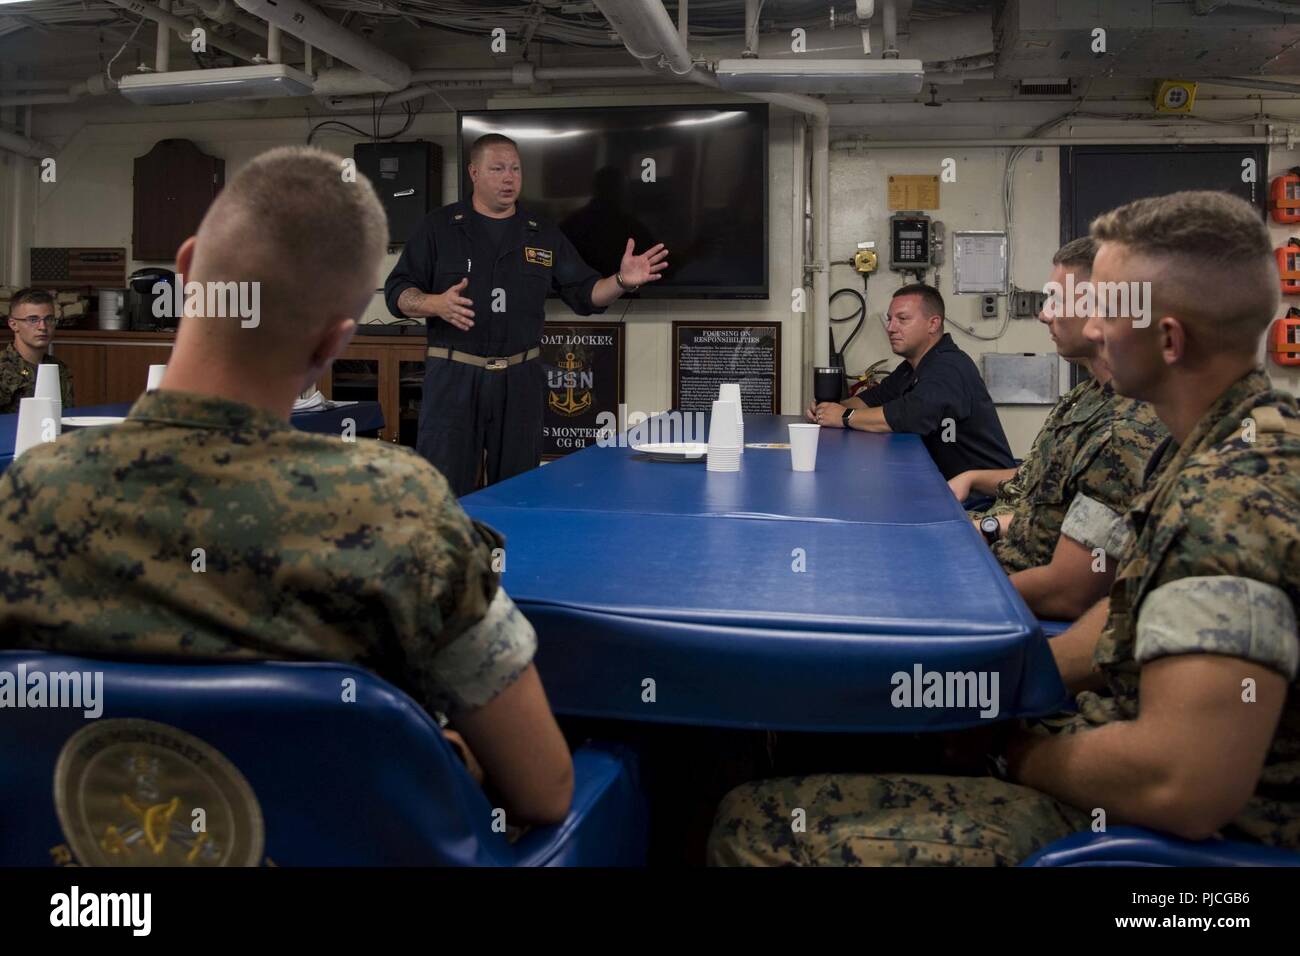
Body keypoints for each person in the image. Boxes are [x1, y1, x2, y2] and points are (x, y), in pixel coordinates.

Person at [709, 190, 1300, 865]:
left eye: (1105, 311)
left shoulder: (1230, 495)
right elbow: (1117, 616)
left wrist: (1015, 751)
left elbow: (1181, 783)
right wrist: (996, 692)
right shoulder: (1211, 443)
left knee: (749, 825)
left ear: (1167, 340)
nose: (1087, 329)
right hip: (1093, 741)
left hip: (1140, 838)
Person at [0, 146, 573, 826]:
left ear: (186, 274)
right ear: (336, 342)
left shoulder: (28, 495)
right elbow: (544, 790)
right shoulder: (399, 509)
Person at [384, 133, 668, 495]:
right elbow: (397, 292)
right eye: (498, 169)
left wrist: (621, 281)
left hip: (519, 381)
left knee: (518, 493)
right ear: (473, 172)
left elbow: (586, 295)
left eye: (515, 169)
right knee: (442, 492)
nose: (509, 178)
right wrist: (431, 303)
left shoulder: (542, 234)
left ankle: (509, 554)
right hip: (454, 379)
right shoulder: (439, 227)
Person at [950, 238, 1168, 620]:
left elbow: (1069, 593)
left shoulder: (1126, 429)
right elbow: (1045, 492)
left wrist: (958, 592)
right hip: (1003, 562)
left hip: (1019, 599)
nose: (1044, 315)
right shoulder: (1086, 396)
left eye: (1056, 300)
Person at [807, 284, 1015, 480]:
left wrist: (844, 416)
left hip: (982, 498)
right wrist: (829, 409)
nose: (890, 327)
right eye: (890, 319)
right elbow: (874, 398)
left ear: (933, 324)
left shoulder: (949, 366)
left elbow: (908, 415)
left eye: (902, 319)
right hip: (943, 486)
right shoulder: (913, 367)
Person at [1, 288, 74, 413]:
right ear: (13, 324)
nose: (43, 327)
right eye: (33, 320)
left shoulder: (58, 368)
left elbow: (65, 415)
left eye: (49, 319)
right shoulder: (3, 368)